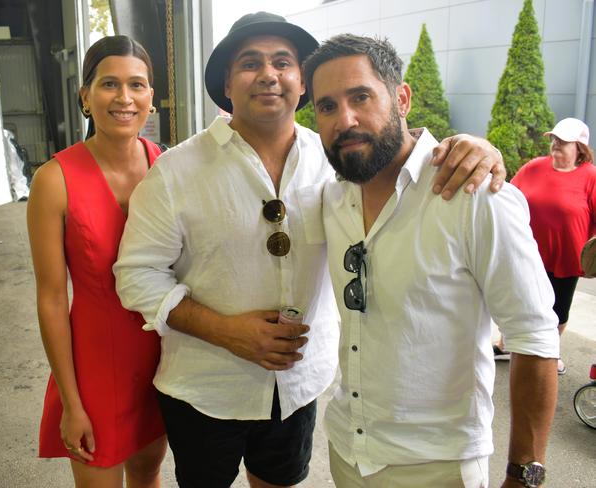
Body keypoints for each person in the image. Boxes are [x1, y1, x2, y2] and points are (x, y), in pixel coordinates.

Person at [114, 13, 505, 488]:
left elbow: (403, 161)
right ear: (227, 84)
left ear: (302, 83)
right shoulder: (176, 171)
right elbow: (136, 275)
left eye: (284, 62)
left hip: (298, 387)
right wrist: (223, 330)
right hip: (204, 387)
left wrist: (474, 147)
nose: (269, 74)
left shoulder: (340, 160)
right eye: (250, 63)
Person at [303, 34, 560, 488]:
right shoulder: (331, 196)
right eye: (327, 107)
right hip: (348, 451)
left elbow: (535, 336)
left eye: (361, 96)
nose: (346, 119)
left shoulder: (475, 195)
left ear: (401, 97)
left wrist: (525, 474)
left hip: (437, 467)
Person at [26, 36, 166, 488]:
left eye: (137, 85)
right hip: (94, 368)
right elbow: (50, 298)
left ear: (150, 96)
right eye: (109, 84)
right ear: (86, 97)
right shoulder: (54, 180)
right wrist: (71, 401)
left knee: (148, 475)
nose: (124, 98)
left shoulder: (166, 166)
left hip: (162, 358)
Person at [493, 118, 596, 374]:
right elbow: (508, 196)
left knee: (557, 309)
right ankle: (506, 344)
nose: (556, 144)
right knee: (519, 300)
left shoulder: (590, 176)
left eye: (564, 141)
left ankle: (551, 352)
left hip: (567, 258)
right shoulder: (534, 168)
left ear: (580, 148)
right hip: (528, 252)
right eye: (554, 138)